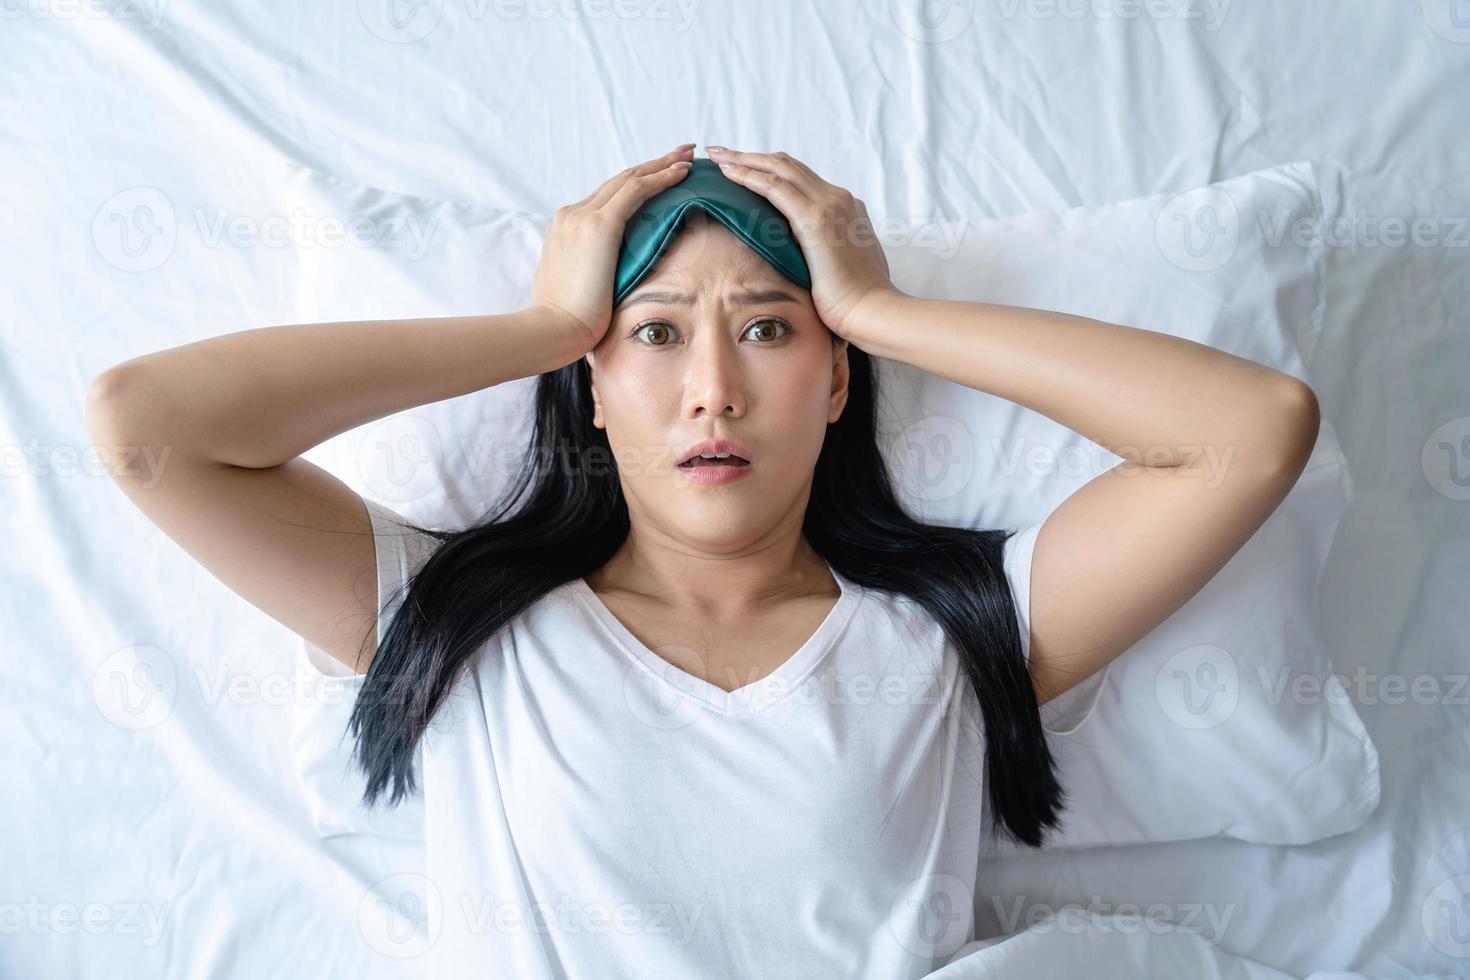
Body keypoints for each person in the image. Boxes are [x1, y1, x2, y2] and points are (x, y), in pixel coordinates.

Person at [84, 143, 1320, 976]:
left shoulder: (953, 628)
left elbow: (1249, 434)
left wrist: (884, 309)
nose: (712, 391)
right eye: (657, 335)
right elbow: (147, 429)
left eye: (770, 330)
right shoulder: (461, 621)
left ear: (835, 381)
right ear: (594, 390)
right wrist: (539, 326)